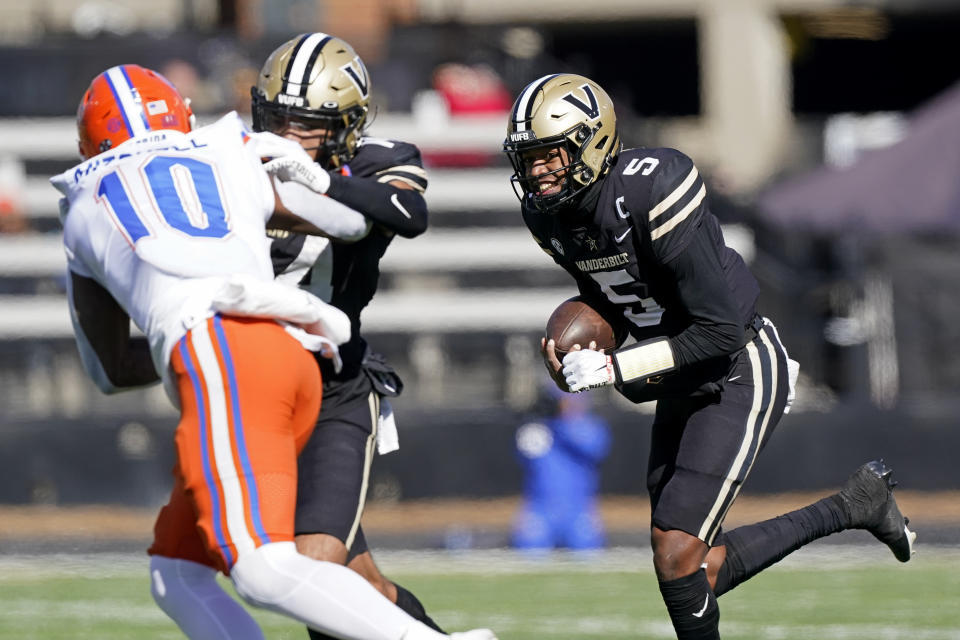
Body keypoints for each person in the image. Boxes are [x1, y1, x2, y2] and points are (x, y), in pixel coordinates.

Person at [53, 63, 495, 640]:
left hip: (220, 352)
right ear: (183, 114)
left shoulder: (84, 194)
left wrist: (172, 345)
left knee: (264, 571)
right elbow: (350, 225)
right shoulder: (225, 148)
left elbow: (107, 371)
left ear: (90, 144)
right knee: (177, 571)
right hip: (295, 351)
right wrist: (317, 182)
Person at [502, 73, 917, 639]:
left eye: (551, 155)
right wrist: (583, 341)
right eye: (529, 160)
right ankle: (856, 505)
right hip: (677, 373)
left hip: (737, 365)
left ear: (592, 142)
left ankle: (856, 506)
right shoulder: (547, 217)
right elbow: (613, 295)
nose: (539, 172)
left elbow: (719, 331)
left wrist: (615, 366)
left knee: (677, 555)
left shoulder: (653, 186)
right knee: (686, 567)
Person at [249, 33, 443, 640]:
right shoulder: (235, 157)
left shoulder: (379, 161)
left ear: (344, 124)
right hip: (255, 395)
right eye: (275, 117)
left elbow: (408, 214)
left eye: (304, 123)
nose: (285, 133)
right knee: (362, 587)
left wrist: (318, 180)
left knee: (314, 572)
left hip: (332, 391)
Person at [512, 381, 610, 551]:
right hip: (540, 507)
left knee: (587, 556)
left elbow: (593, 447)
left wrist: (559, 422)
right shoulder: (539, 429)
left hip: (579, 509)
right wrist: (531, 421)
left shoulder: (591, 427)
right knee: (529, 552)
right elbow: (525, 454)